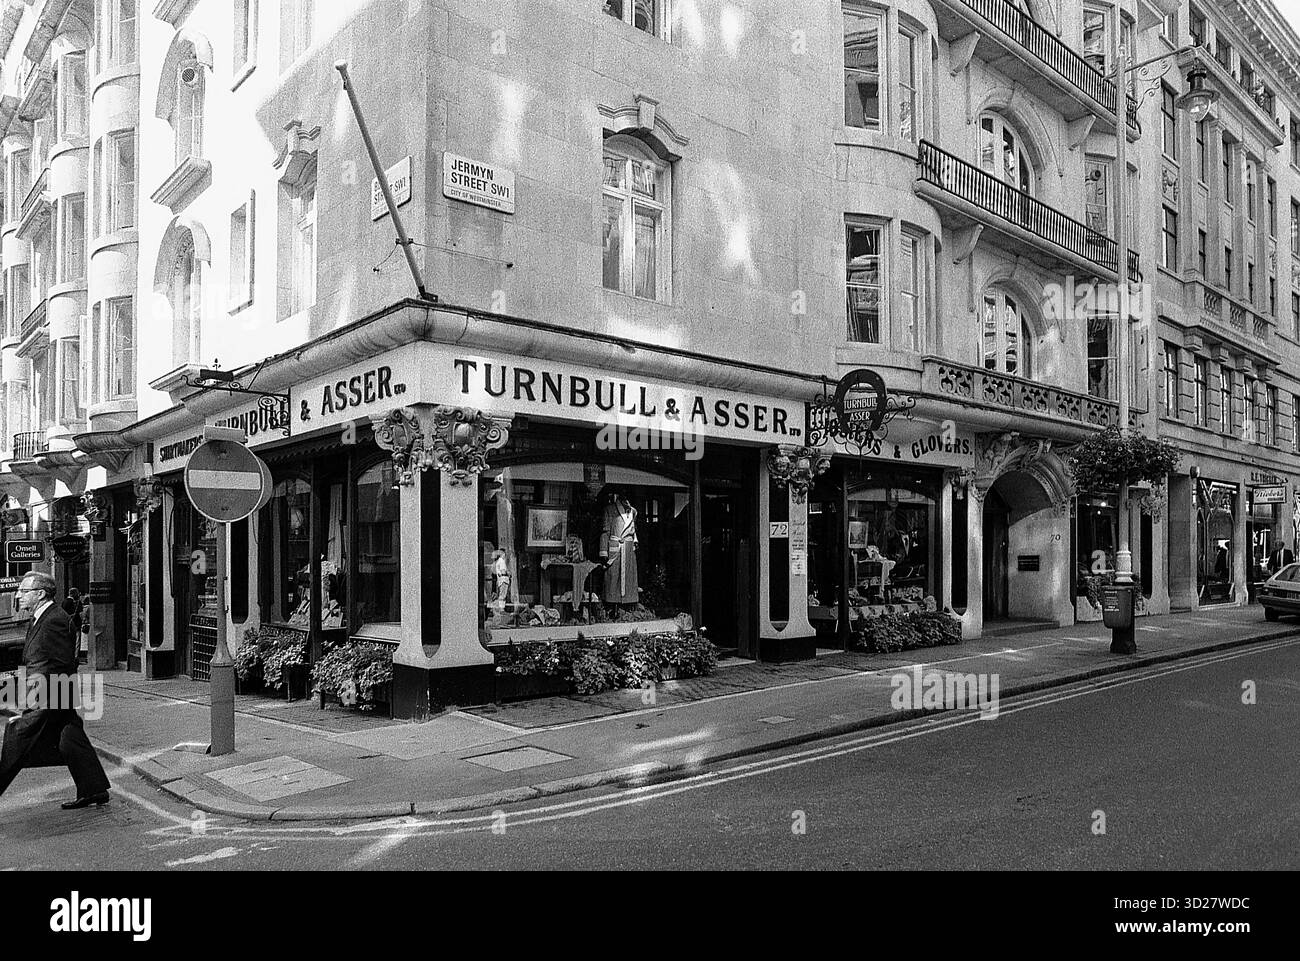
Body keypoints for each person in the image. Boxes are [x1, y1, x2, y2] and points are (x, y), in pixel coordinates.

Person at [0, 572, 111, 810]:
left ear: (40, 594)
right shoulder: (41, 618)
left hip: (50, 694)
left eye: (24, 591)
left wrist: (32, 706)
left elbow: (56, 666)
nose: (19, 595)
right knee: (70, 737)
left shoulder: (54, 620)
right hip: (55, 693)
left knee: (16, 736)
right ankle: (95, 789)